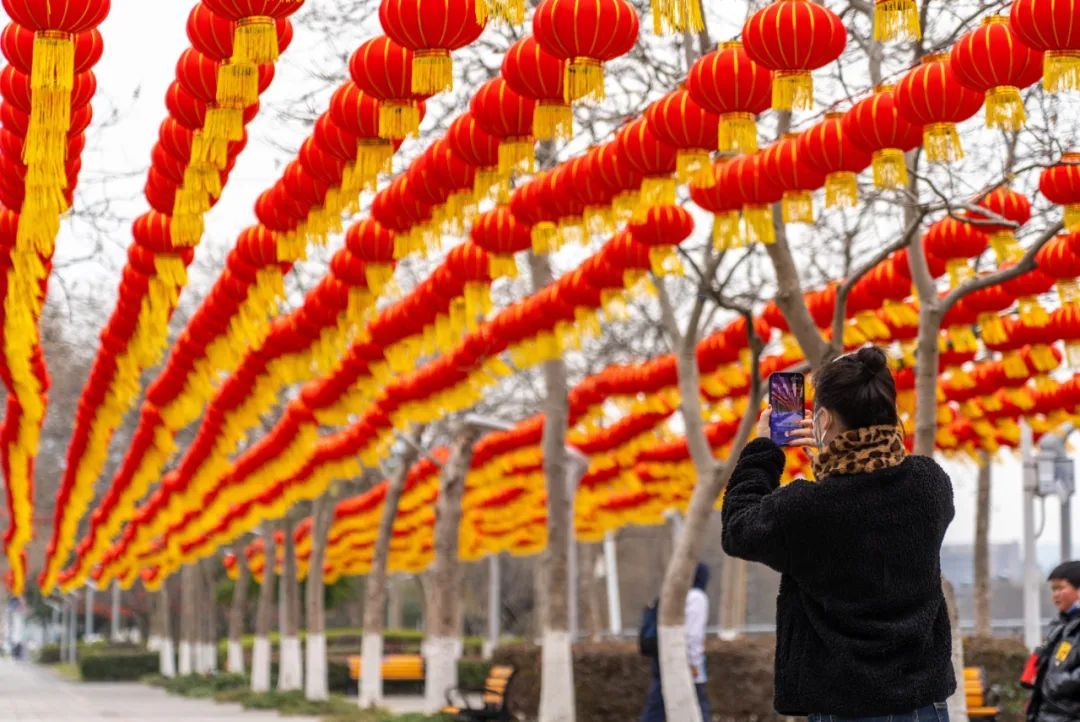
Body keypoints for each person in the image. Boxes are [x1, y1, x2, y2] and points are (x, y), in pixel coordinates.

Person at [721, 346, 956, 722]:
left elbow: (738, 528)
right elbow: (870, 495)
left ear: (824, 418)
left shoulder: (805, 509)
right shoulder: (930, 486)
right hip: (922, 706)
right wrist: (834, 454)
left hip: (843, 708)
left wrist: (763, 449)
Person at [640, 563, 711, 721]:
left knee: (656, 709)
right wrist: (694, 664)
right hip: (684, 665)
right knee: (697, 710)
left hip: (663, 660)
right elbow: (693, 635)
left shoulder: (671, 595)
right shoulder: (696, 597)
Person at [1024, 561, 1080, 722]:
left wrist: (1055, 682)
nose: (1055, 594)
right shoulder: (1059, 625)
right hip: (1047, 714)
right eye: (1053, 589)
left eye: (1060, 588)